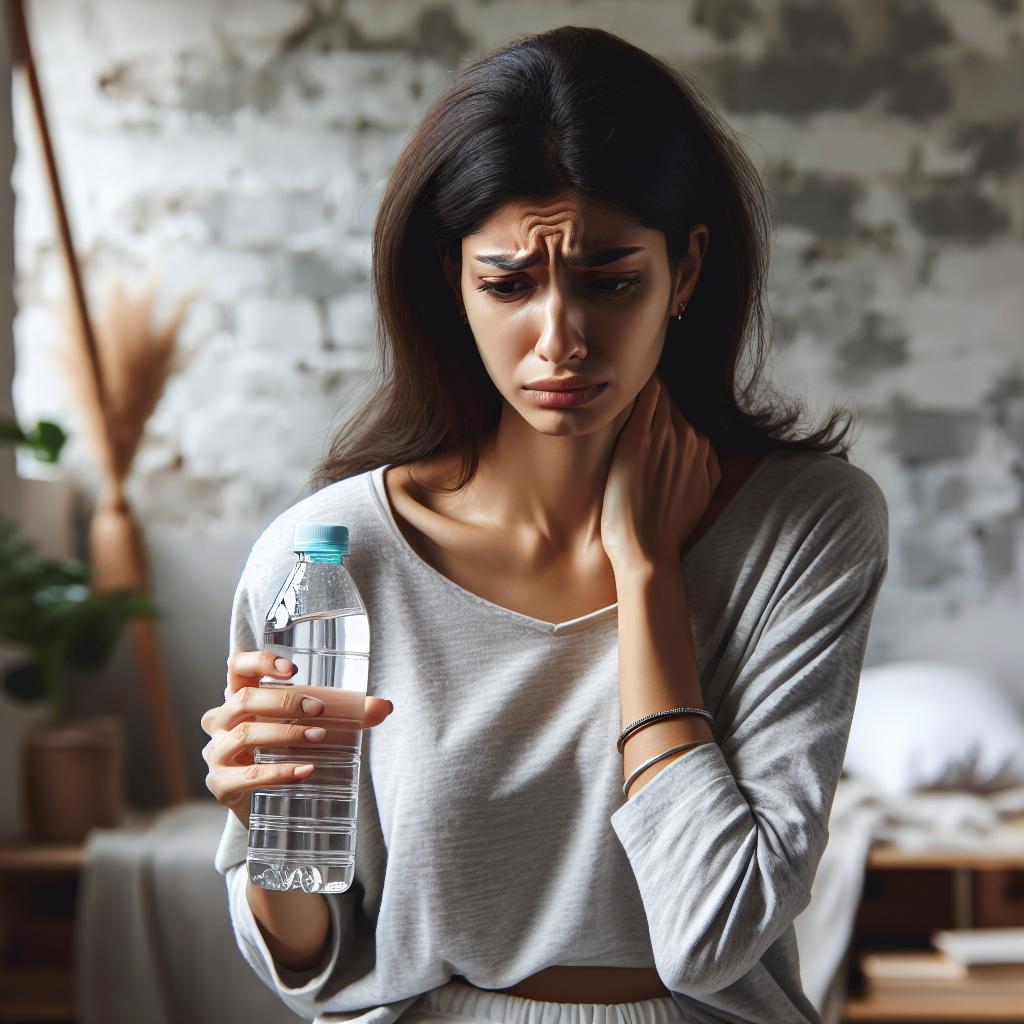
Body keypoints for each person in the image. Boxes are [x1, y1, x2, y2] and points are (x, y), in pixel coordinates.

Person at [200, 24, 888, 1024]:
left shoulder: (804, 527)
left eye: (610, 281)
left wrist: (646, 574)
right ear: (451, 277)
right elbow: (318, 965)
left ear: (684, 272)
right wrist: (271, 830)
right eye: (510, 283)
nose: (560, 338)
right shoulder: (328, 561)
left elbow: (713, 929)